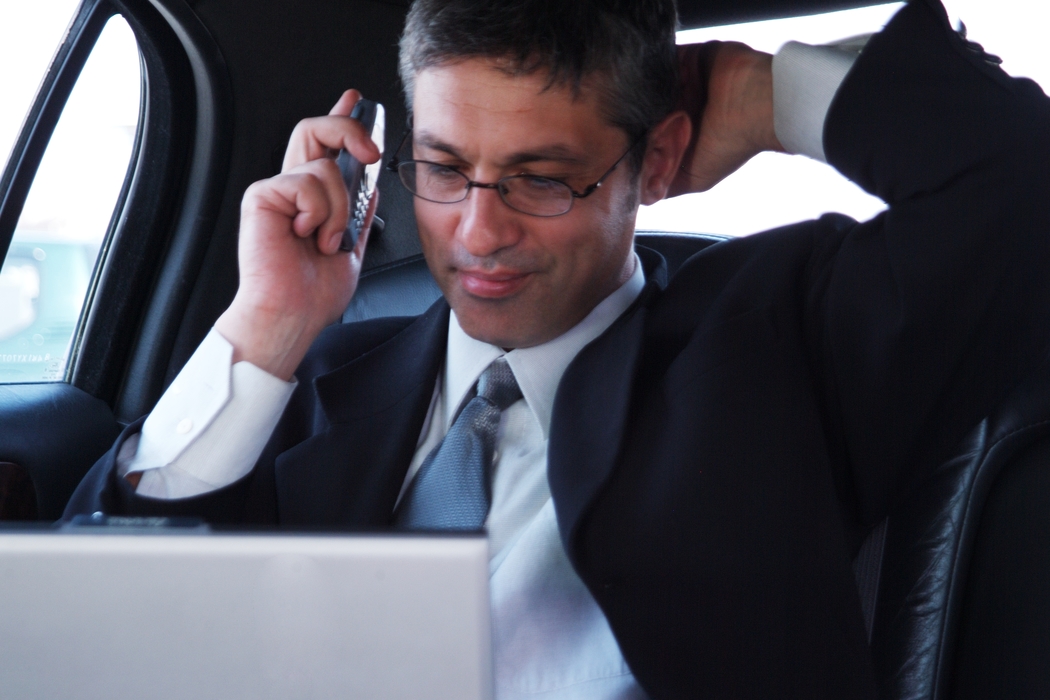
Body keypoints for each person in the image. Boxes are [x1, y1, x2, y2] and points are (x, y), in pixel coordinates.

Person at [66, 0, 1050, 697]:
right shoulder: (317, 380)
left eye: (544, 180)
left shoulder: (772, 344)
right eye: (445, 170)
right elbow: (93, 623)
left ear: (656, 160)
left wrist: (763, 93)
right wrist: (267, 325)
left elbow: (1021, 184)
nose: (479, 233)